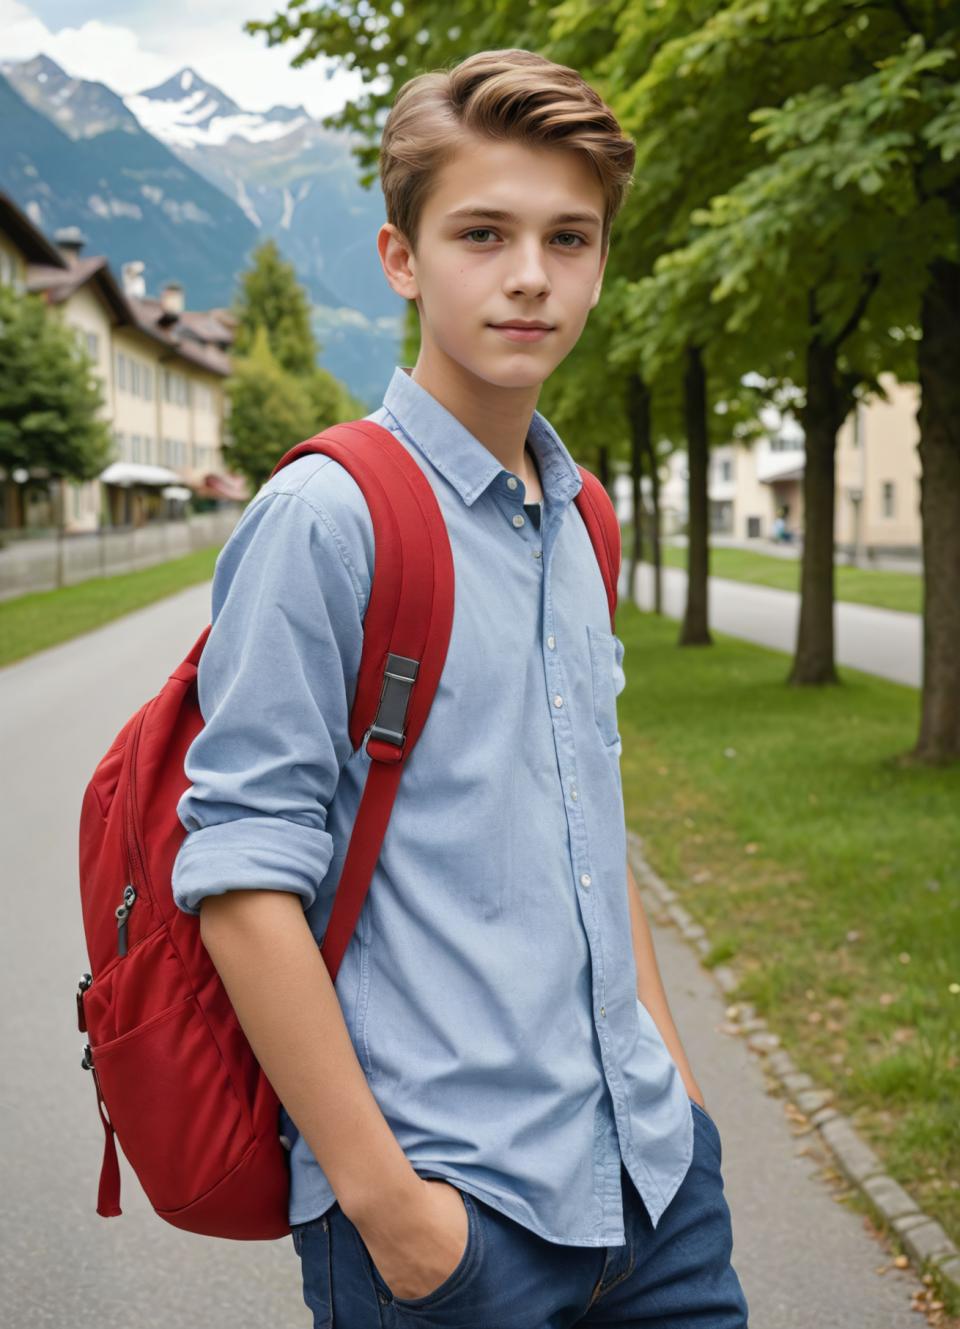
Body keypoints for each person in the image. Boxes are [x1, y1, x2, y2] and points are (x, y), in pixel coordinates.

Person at [171, 46, 750, 1328]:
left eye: (571, 237)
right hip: (451, 1226)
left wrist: (681, 1097)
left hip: (655, 1197)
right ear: (402, 257)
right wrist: (395, 1212)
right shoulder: (328, 517)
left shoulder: (581, 516)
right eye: (483, 232)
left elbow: (593, 825)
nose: (531, 276)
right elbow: (241, 879)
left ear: (603, 260)